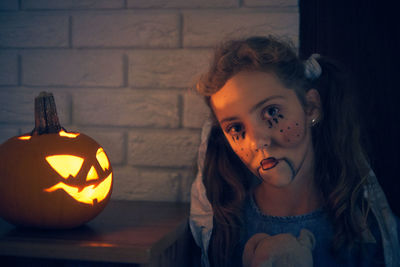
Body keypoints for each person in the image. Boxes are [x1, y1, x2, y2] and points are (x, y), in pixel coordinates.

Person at [189, 36, 400, 267]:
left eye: (271, 112)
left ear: (310, 107)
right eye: (236, 128)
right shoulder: (227, 225)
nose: (257, 141)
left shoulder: (358, 222)